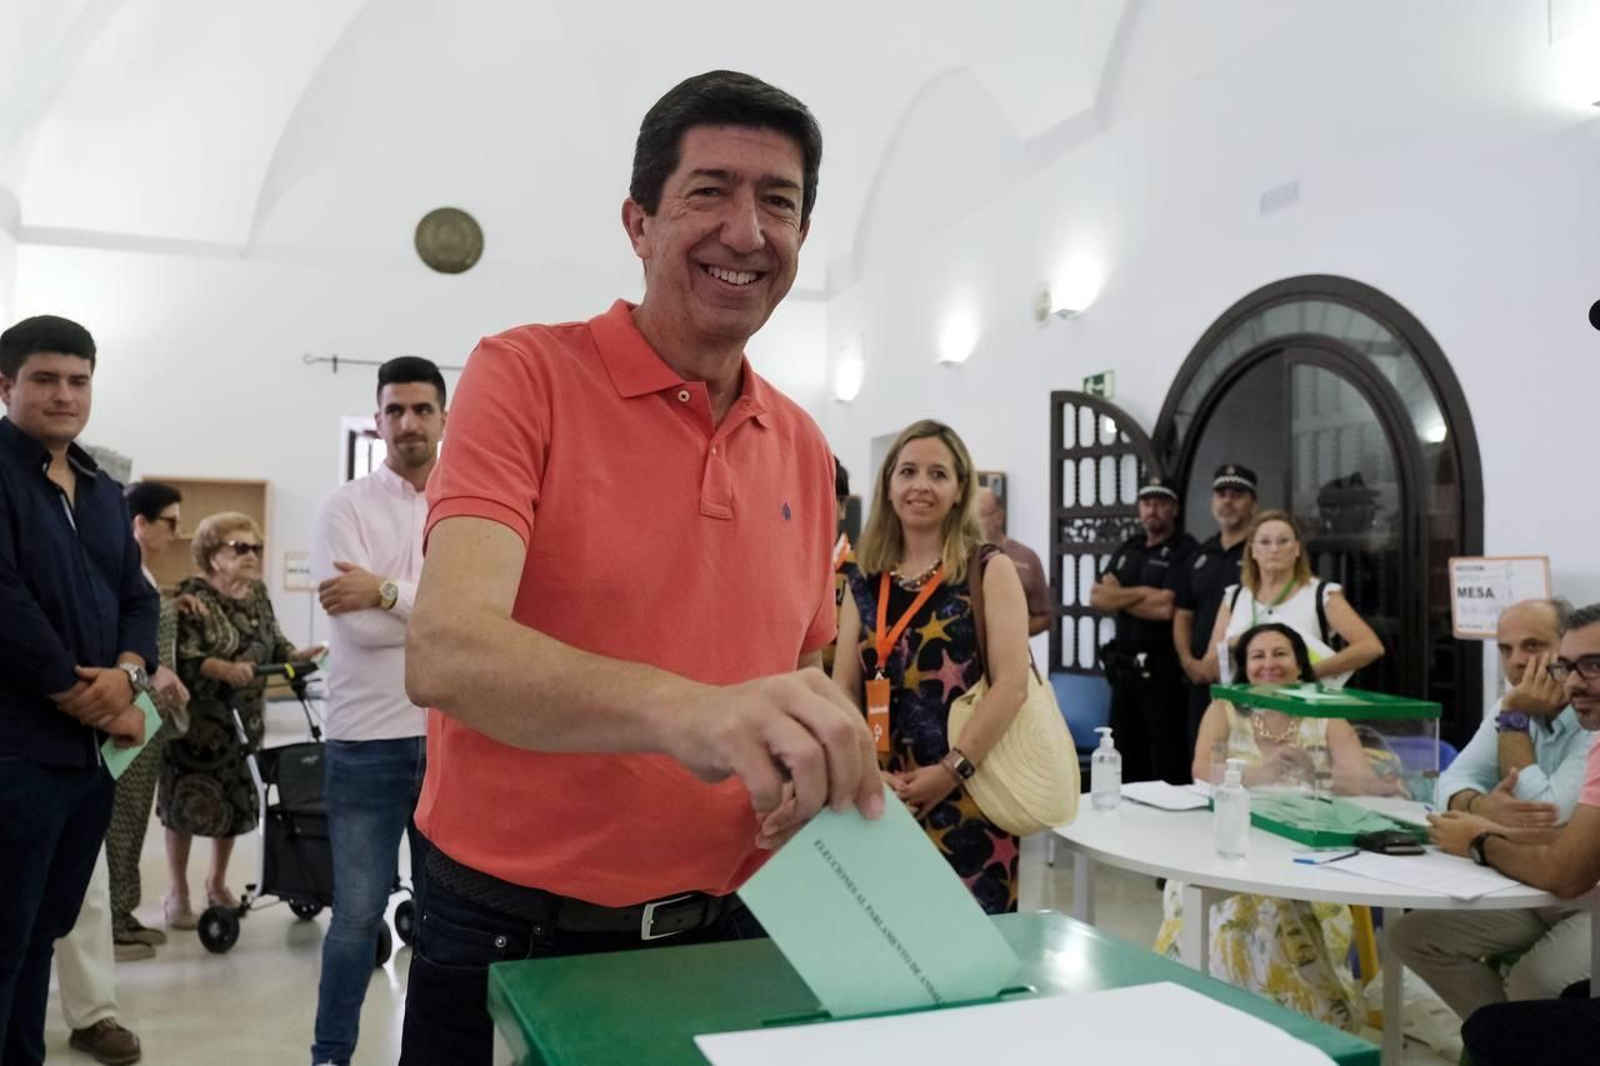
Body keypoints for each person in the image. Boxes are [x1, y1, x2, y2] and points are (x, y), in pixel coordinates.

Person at [397, 70, 880, 1065]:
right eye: (709, 190)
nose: (747, 230)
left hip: (736, 927)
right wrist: (692, 710)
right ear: (639, 222)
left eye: (778, 202)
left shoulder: (799, 444)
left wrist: (822, 757)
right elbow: (447, 650)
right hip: (513, 932)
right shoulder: (524, 374)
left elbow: (795, 669)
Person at [0, 314, 156, 1066]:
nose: (65, 395)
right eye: (45, 379)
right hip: (14, 750)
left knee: (42, 933)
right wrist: (75, 691)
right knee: (2, 940)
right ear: (6, 386)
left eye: (78, 380)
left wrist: (126, 677)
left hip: (87, 759)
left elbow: (139, 598)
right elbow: (4, 600)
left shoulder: (101, 489)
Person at [832, 421, 1031, 915]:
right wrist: (866, 774)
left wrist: (950, 770)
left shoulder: (989, 568)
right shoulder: (862, 577)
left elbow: (1011, 686)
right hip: (877, 797)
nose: (921, 485)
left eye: (938, 473)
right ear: (888, 486)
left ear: (960, 488)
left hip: (971, 798)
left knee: (969, 959)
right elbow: (842, 689)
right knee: (880, 951)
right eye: (908, 471)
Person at [308, 356, 444, 1066]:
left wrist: (387, 593)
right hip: (365, 742)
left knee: (449, 921)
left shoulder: (468, 506)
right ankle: (331, 1054)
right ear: (378, 419)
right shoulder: (346, 507)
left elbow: (487, 619)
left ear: (445, 419)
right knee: (357, 918)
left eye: (422, 409)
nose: (408, 423)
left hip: (451, 737)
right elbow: (355, 630)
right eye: (395, 410)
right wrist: (433, 607)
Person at [1156, 623, 1385, 1031]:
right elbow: (1202, 771)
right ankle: (1212, 1022)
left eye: (1280, 654)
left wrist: (1316, 775)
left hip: (1306, 852)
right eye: (1257, 656)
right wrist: (1263, 773)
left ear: (1300, 665)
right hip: (1229, 844)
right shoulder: (1226, 707)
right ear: (1245, 668)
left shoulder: (1325, 712)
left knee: (1278, 907)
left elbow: (1366, 782)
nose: (1268, 665)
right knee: (1231, 907)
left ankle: (1299, 1026)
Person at [1389, 599, 1595, 1021]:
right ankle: (1507, 1043)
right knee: (1413, 936)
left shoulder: (1579, 715)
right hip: (1536, 886)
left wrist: (1515, 719)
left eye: (1534, 646)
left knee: (1531, 982)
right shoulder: (1512, 704)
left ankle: (1518, 1039)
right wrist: (1484, 806)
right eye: (1506, 649)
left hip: (1582, 896)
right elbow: (1446, 783)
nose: (1518, 661)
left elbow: (1548, 817)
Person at [158, 512, 323, 927]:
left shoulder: (257, 594)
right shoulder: (193, 596)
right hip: (197, 725)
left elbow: (274, 640)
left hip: (243, 722)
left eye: (255, 547)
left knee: (232, 805)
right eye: (239, 547)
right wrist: (222, 668)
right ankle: (177, 890)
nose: (251, 555)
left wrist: (295, 656)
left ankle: (217, 881)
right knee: (184, 808)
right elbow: (185, 657)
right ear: (213, 556)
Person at [105, 480, 192, 953]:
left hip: (150, 715)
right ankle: (114, 919)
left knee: (136, 814)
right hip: (129, 712)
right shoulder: (120, 574)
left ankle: (124, 909)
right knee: (121, 815)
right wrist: (155, 671)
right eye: (170, 522)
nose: (177, 533)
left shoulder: (144, 574)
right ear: (139, 523)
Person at [1090, 474, 1197, 784]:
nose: (1152, 510)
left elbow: (1166, 607)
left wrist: (1120, 596)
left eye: (1160, 503)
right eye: (1147, 503)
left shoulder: (1184, 550)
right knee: (1122, 758)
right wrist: (1144, 593)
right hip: (1124, 672)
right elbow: (1097, 597)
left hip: (1162, 673)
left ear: (1174, 509)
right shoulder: (1129, 547)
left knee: (1166, 760)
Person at [1205, 510, 1383, 687]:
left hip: (1302, 707)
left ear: (1297, 549)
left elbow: (1370, 647)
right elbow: (1208, 665)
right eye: (1265, 542)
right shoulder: (1234, 597)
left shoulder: (1320, 594)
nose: (1274, 549)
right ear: (1252, 550)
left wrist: (1307, 673)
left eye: (1283, 541)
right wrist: (1234, 644)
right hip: (1242, 707)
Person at [1170, 463, 1257, 752]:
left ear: (1253, 503)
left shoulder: (1261, 552)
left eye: (1237, 494)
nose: (1228, 501)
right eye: (1221, 494)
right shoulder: (1201, 554)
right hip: (1200, 678)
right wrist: (1187, 661)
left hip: (1247, 680)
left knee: (1245, 758)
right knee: (1202, 757)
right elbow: (1183, 613)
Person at [976, 485, 1052, 636]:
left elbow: (1044, 616)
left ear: (998, 517)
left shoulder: (1027, 557)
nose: (974, 523)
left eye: (980, 515)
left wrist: (1012, 635)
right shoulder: (958, 557)